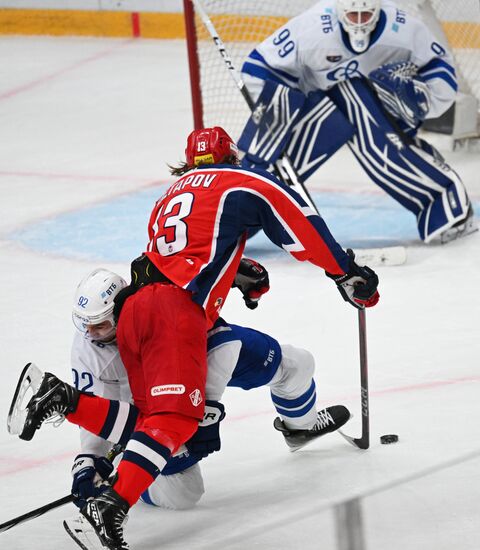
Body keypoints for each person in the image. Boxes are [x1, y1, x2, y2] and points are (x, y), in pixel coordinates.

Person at [8, 126, 379, 550]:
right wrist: (344, 271)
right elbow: (298, 221)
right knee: (176, 427)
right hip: (176, 316)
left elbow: (180, 253)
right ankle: (93, 461)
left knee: (286, 364)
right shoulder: (242, 180)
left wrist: (235, 270)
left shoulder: (167, 198)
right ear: (233, 157)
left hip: (150, 312)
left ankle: (300, 425)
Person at [68, 266, 351, 513]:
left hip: (204, 354)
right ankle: (128, 480)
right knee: (183, 492)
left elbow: (215, 323)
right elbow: (97, 409)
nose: (90, 335)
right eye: (85, 325)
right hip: (158, 408)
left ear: (118, 310)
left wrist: (208, 405)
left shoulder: (154, 302)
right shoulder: (89, 351)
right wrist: (90, 459)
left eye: (100, 326)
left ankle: (301, 428)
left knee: (297, 365)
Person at [239, 0, 476, 243]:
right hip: (312, 102)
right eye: (354, 15)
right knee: (277, 161)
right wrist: (282, 114)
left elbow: (440, 68)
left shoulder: (403, 28)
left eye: (366, 15)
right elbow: (259, 66)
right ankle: (233, 221)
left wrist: (418, 100)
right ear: (339, 11)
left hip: (371, 102)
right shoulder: (312, 28)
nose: (360, 22)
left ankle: (446, 209)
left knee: (385, 150)